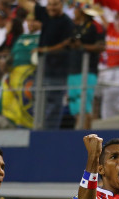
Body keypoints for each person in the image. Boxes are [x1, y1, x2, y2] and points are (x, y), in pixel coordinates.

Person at [18, 0, 74, 130]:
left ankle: (49, 134)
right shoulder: (45, 13)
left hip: (59, 72)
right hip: (43, 69)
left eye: (55, 5)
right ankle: (38, 130)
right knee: (38, 100)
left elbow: (67, 44)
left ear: (62, 5)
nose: (52, 8)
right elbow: (24, 4)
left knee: (54, 104)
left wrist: (45, 50)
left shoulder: (67, 22)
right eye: (49, 5)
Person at [67, 1, 105, 130]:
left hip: (88, 70)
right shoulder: (74, 27)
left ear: (81, 11)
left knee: (85, 105)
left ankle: (87, 135)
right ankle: (79, 131)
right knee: (74, 105)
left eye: (75, 10)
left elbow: (101, 46)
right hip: (73, 69)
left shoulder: (96, 26)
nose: (74, 12)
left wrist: (82, 46)